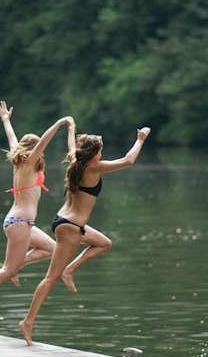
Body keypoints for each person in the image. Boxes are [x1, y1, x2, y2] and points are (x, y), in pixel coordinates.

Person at [18, 126, 151, 345]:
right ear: (94, 153)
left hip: (67, 223)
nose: (102, 153)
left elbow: (72, 145)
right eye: (100, 150)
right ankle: (28, 321)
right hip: (70, 227)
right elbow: (128, 160)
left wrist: (71, 128)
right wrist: (140, 139)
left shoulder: (75, 161)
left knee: (103, 244)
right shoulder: (93, 167)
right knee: (51, 277)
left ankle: (70, 270)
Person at [0, 102, 74, 321]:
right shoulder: (29, 162)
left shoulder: (19, 160)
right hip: (19, 222)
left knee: (54, 249)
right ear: (32, 150)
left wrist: (6, 119)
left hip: (22, 223)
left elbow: (12, 137)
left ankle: (17, 264)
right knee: (7, 271)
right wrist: (60, 123)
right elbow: (43, 142)